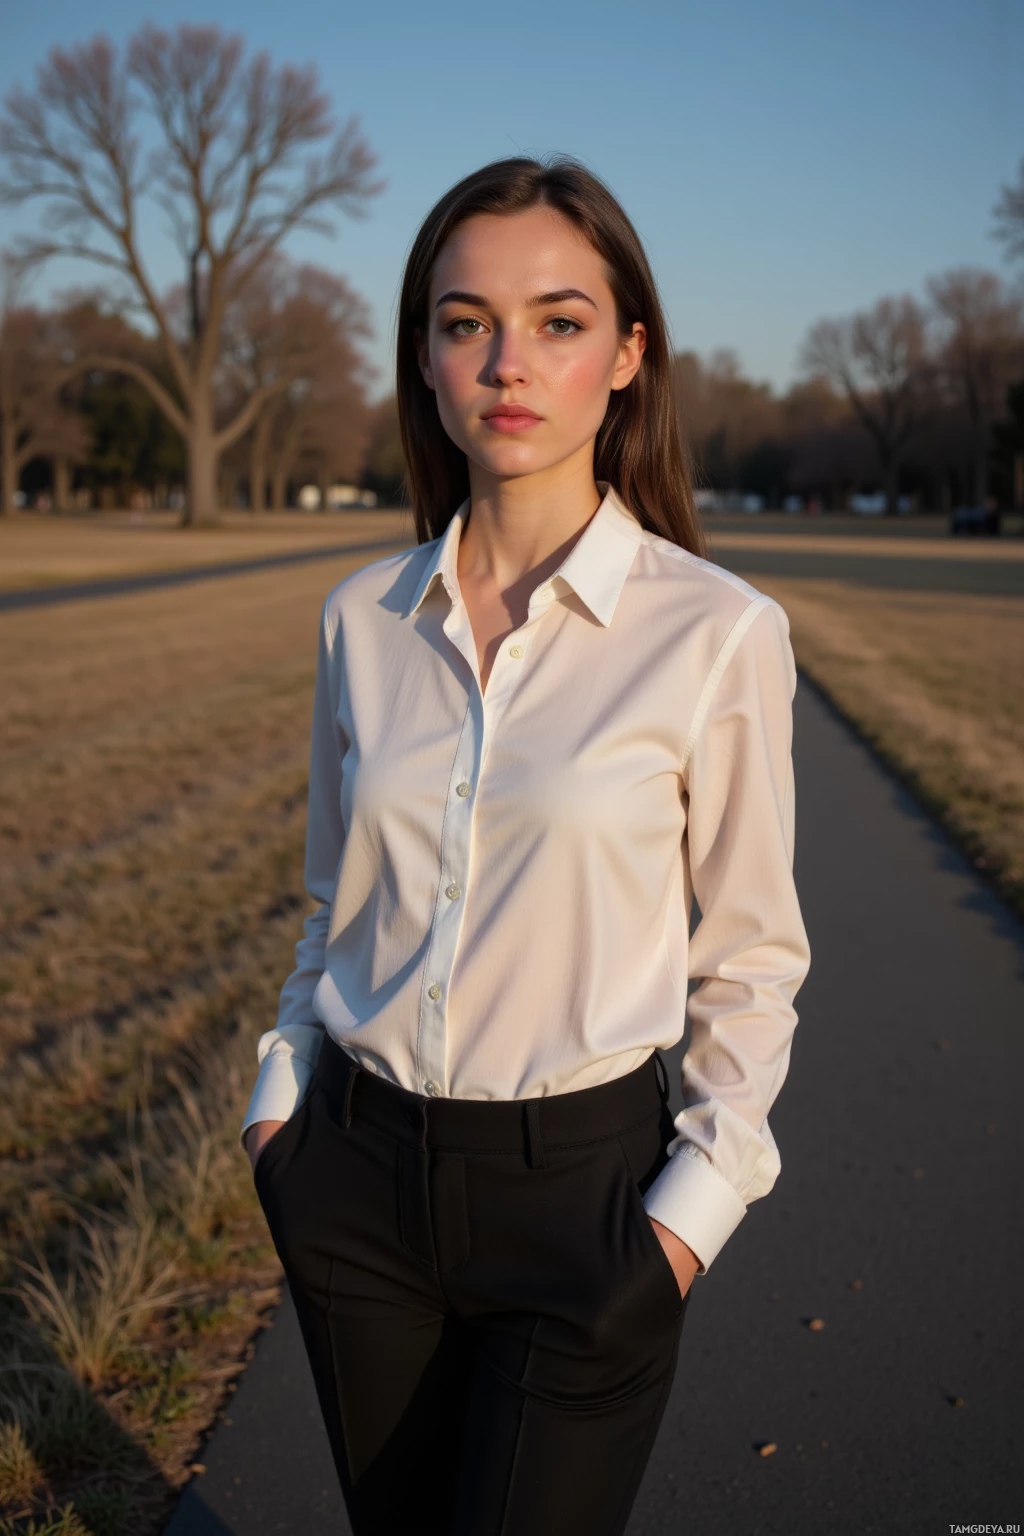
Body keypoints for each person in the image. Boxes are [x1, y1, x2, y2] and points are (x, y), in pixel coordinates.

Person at [240, 154, 812, 1536]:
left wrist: (678, 1232)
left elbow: (750, 965)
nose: (507, 361)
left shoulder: (716, 631)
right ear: (425, 361)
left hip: (585, 1211)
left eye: (558, 321)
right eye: (463, 321)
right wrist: (278, 1121)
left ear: (627, 354)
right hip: (354, 1190)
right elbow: (333, 906)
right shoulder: (359, 618)